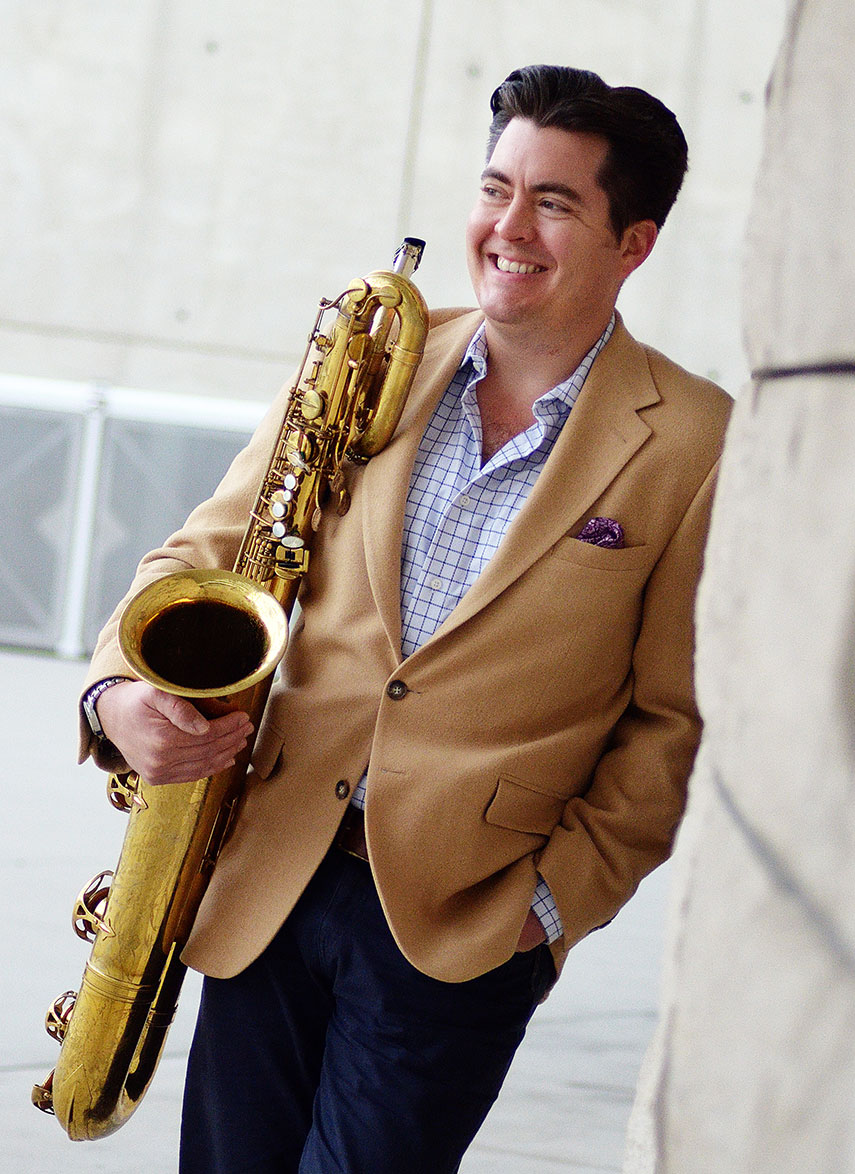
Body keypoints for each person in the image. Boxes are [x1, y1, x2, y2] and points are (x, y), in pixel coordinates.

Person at [80, 64, 732, 1173]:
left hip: (462, 918)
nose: (508, 227)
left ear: (635, 243)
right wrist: (117, 694)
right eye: (495, 188)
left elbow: (675, 720)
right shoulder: (371, 356)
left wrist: (548, 907)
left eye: (554, 202)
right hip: (268, 865)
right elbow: (201, 554)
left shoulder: (696, 441)